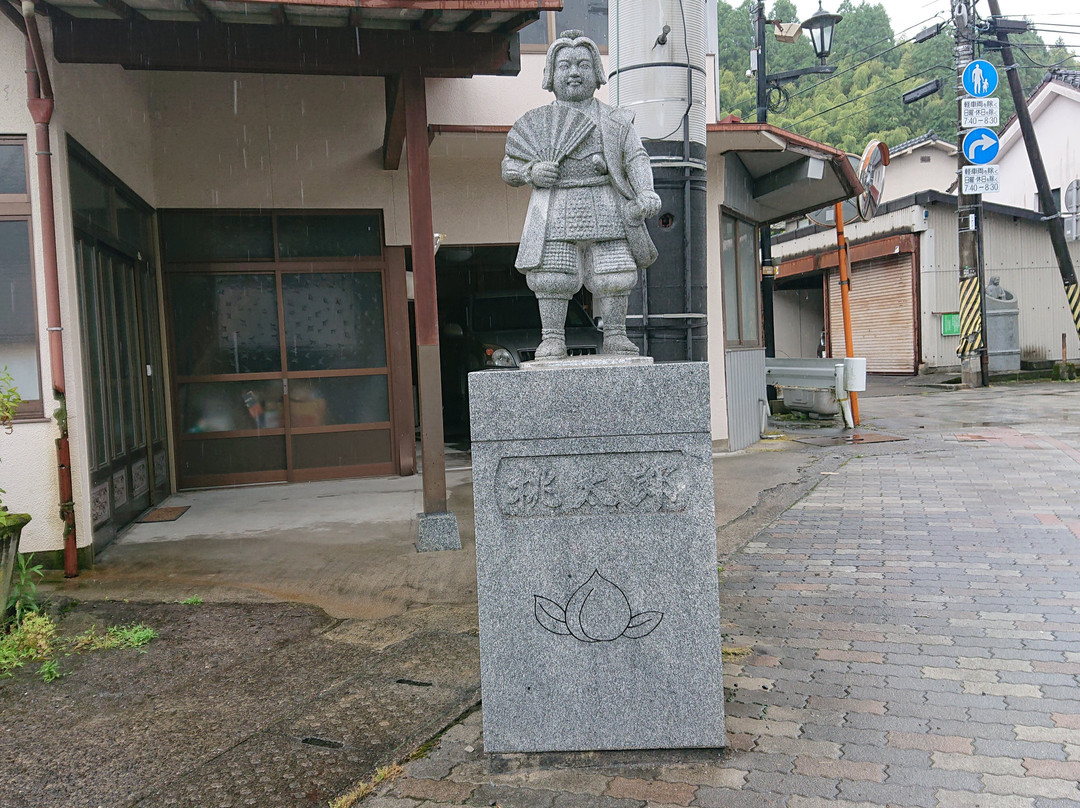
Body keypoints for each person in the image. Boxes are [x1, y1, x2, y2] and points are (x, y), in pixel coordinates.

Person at [502, 29, 662, 359]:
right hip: (556, 205)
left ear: (596, 73)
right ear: (551, 74)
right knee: (552, 276)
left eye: (583, 65)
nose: (574, 72)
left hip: (607, 203)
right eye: (565, 65)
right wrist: (532, 172)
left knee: (616, 272)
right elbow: (509, 167)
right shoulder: (539, 123)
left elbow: (636, 156)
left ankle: (616, 333)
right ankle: (552, 336)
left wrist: (645, 191)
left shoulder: (617, 120)